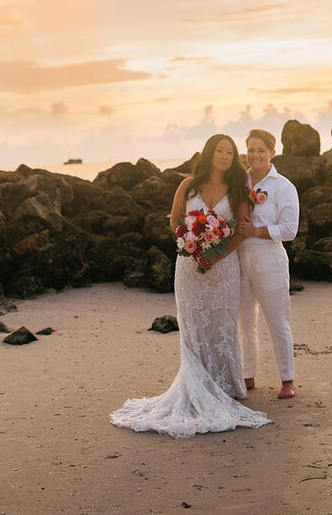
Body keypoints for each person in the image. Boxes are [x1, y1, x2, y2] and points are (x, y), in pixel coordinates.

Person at [110, 134, 270, 438]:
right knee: (194, 325)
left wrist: (217, 253)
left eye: (229, 152)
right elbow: (174, 222)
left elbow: (241, 231)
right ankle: (195, 383)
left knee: (222, 324)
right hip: (189, 266)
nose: (224, 156)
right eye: (219, 150)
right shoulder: (189, 185)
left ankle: (226, 385)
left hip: (223, 269)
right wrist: (194, 246)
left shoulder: (238, 188)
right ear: (209, 153)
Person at [236, 128, 299, 399]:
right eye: (251, 150)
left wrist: (257, 232)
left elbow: (289, 229)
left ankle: (287, 379)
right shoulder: (239, 182)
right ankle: (248, 374)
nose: (255, 155)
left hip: (269, 257)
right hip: (239, 257)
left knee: (277, 321)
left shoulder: (283, 186)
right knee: (245, 320)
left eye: (261, 150)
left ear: (273, 153)